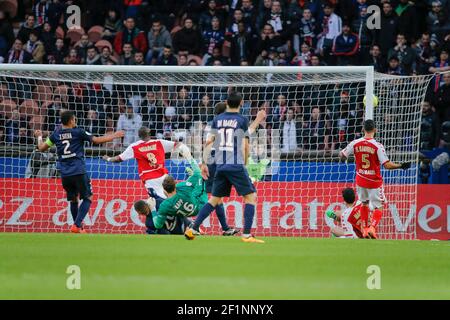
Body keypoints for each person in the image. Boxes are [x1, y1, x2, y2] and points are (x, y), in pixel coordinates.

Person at [185, 92, 264, 243]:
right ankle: (246, 235)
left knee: (214, 200)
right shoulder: (241, 119)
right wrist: (245, 161)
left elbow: (209, 142)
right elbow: (245, 143)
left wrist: (203, 163)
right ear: (241, 103)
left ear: (227, 102)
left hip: (219, 165)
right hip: (235, 163)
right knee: (250, 197)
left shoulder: (217, 120)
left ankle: (193, 228)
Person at [34, 110, 125, 233]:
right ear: (71, 120)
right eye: (75, 119)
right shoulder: (78, 132)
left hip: (65, 173)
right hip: (78, 171)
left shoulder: (55, 134)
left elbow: (41, 148)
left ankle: (78, 227)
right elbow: (96, 140)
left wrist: (39, 136)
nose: (75, 121)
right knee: (88, 197)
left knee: (73, 200)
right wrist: (114, 135)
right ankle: (77, 225)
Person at [340, 119, 411, 239]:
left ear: (363, 129)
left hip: (361, 179)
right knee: (378, 206)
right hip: (374, 182)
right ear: (375, 130)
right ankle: (372, 228)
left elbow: (343, 155)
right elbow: (387, 165)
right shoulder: (377, 146)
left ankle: (364, 229)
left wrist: (347, 158)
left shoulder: (355, 143)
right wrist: (400, 166)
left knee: (364, 203)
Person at [134, 158, 238, 236]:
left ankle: (196, 226)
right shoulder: (181, 186)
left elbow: (157, 224)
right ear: (174, 184)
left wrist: (153, 209)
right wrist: (190, 159)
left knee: (204, 192)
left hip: (187, 212)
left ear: (164, 189)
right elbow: (197, 175)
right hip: (199, 206)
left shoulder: (165, 205)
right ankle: (201, 227)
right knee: (213, 197)